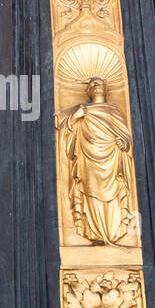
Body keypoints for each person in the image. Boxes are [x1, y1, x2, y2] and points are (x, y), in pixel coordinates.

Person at [55, 77, 135, 245]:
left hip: (111, 161)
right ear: (88, 92)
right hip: (87, 160)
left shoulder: (113, 110)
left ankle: (112, 233)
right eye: (92, 84)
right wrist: (75, 117)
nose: (95, 85)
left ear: (106, 88)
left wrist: (124, 143)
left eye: (98, 83)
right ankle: (94, 232)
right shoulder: (81, 109)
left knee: (113, 195)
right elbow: (61, 125)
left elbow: (125, 137)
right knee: (90, 193)